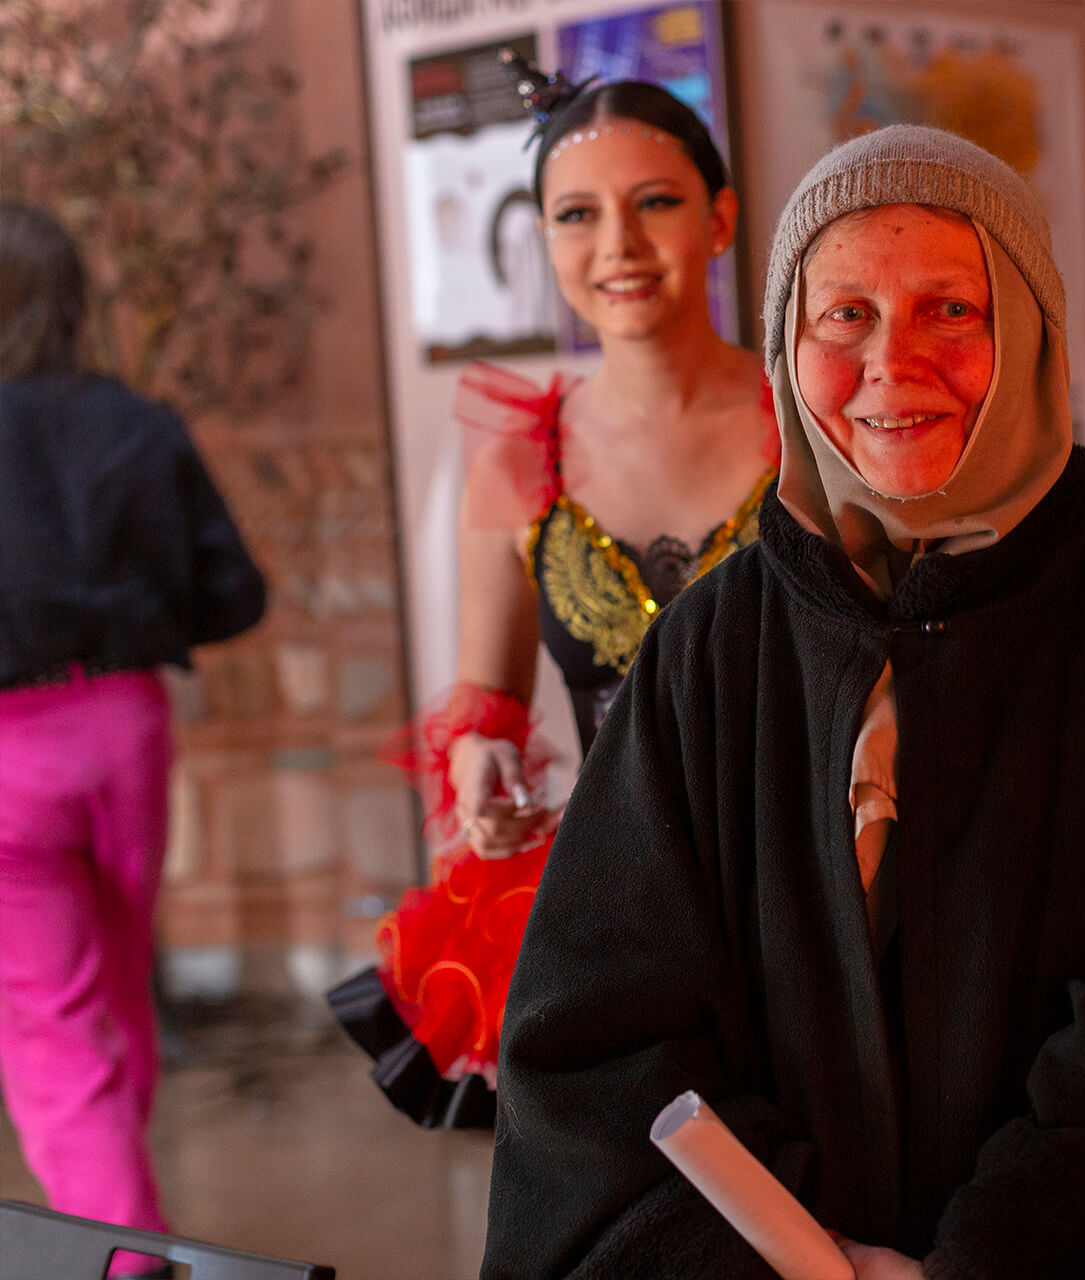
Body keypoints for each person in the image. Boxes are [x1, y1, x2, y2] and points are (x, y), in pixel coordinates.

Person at [482, 125, 1085, 1280]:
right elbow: (600, 1041)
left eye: (951, 310)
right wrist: (801, 1259)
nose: (892, 361)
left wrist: (990, 1260)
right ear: (786, 343)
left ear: (1028, 331)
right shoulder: (707, 655)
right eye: (845, 315)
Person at [326, 59, 777, 1129]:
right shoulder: (521, 458)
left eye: (655, 202)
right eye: (577, 215)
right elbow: (487, 703)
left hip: (805, 887)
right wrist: (479, 765)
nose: (617, 244)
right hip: (611, 900)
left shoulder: (810, 423)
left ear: (719, 220)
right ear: (544, 239)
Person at [0, 201, 266, 1270]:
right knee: (116, 985)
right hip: (125, 730)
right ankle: (117, 1213)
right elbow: (236, 594)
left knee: (54, 1024)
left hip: (6, 755)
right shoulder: (137, 424)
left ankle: (124, 1256)